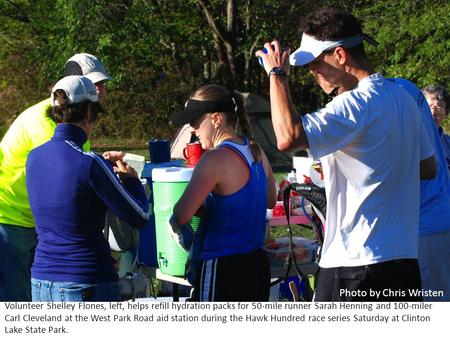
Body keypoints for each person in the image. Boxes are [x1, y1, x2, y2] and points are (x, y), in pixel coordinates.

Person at [256, 8, 436, 301]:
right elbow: (427, 167)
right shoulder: (404, 97)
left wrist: (276, 75)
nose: (313, 73)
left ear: (340, 55)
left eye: (315, 63)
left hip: (353, 266)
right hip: (403, 263)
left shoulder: (353, 105)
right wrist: (369, 168)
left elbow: (287, 137)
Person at [25, 75, 149, 301]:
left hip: (41, 281)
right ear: (89, 113)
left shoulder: (34, 157)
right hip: (85, 280)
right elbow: (139, 216)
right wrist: (130, 179)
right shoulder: (90, 163)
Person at [0, 53, 112, 301]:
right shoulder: (47, 121)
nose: (100, 90)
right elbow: (62, 178)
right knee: (17, 305)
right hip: (11, 218)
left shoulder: (69, 119)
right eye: (93, 84)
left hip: (33, 220)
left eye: (102, 84)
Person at [170, 84, 277, 301]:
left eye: (196, 121)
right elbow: (270, 200)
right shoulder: (256, 151)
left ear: (216, 119)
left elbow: (181, 215)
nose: (192, 129)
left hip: (222, 266)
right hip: (256, 265)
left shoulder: (214, 158)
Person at [422, 85, 450, 173]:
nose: (433, 113)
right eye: (428, 107)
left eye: (439, 109)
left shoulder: (448, 143)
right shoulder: (409, 140)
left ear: (446, 113)